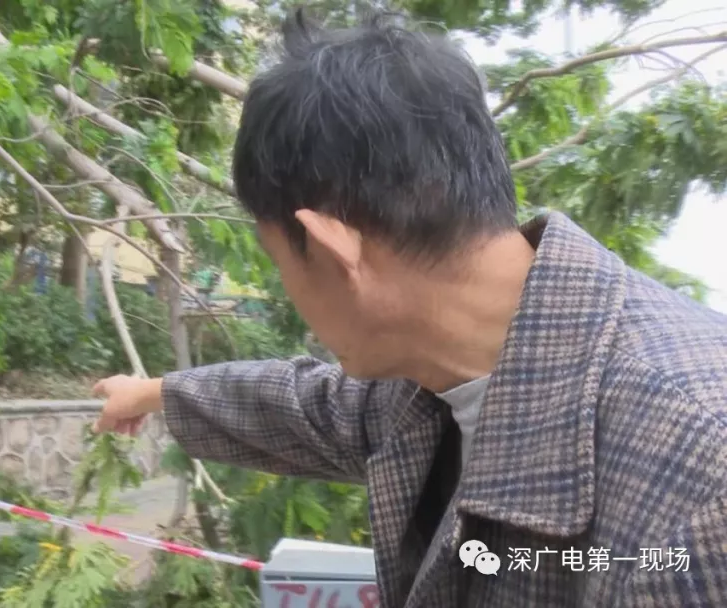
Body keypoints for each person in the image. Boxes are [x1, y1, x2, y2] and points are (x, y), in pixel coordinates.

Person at [92, 9, 727, 608]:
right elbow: (308, 407)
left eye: (277, 261)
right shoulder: (444, 377)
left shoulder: (700, 484)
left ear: (330, 248)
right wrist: (151, 393)